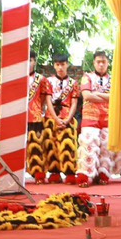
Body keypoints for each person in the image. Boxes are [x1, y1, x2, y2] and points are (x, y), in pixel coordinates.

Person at [75, 50, 114, 185]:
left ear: (108, 63)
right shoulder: (87, 77)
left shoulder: (113, 79)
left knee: (106, 148)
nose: (101, 65)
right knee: (88, 146)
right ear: (94, 63)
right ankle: (85, 175)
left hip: (108, 118)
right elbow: (87, 96)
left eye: (104, 62)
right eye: (98, 62)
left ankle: (103, 174)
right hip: (89, 117)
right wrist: (108, 97)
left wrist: (97, 94)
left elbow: (116, 97)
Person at [45, 51, 80, 183]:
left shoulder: (73, 83)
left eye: (63, 64)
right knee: (51, 145)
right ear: (54, 65)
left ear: (67, 65)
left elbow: (74, 103)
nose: (60, 67)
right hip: (51, 116)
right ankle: (54, 172)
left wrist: (67, 119)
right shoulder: (48, 81)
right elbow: (48, 101)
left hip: (67, 116)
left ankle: (70, 171)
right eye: (58, 64)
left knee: (68, 145)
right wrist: (55, 118)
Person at [24, 52, 57, 183]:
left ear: (35, 62)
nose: (28, 63)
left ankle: (38, 174)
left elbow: (44, 99)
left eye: (30, 60)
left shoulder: (41, 79)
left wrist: (36, 108)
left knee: (36, 147)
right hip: (19, 118)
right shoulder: (17, 79)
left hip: (35, 117)